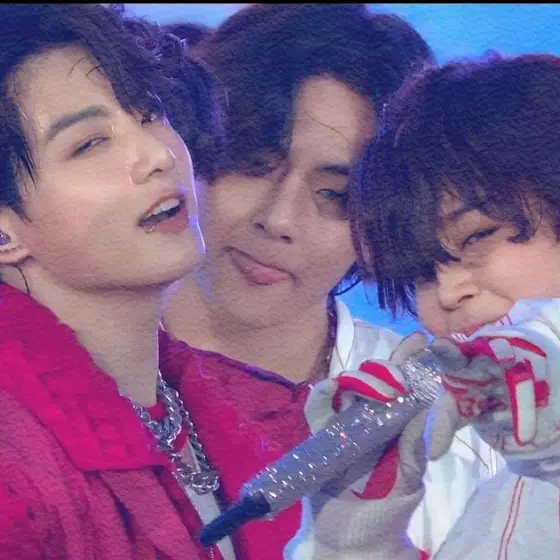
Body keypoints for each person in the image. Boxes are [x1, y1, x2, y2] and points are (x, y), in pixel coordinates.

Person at [161, 4, 501, 558]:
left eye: (333, 196)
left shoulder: (455, 431)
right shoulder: (70, 367)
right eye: (254, 164)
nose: (279, 218)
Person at [0, 4, 229, 559]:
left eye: (149, 114)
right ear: (4, 234)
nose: (157, 155)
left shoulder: (247, 406)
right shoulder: (13, 467)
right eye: (89, 144)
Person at [333, 53, 560, 558]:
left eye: (477, 236)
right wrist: (358, 543)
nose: (449, 293)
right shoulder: (500, 490)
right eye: (421, 273)